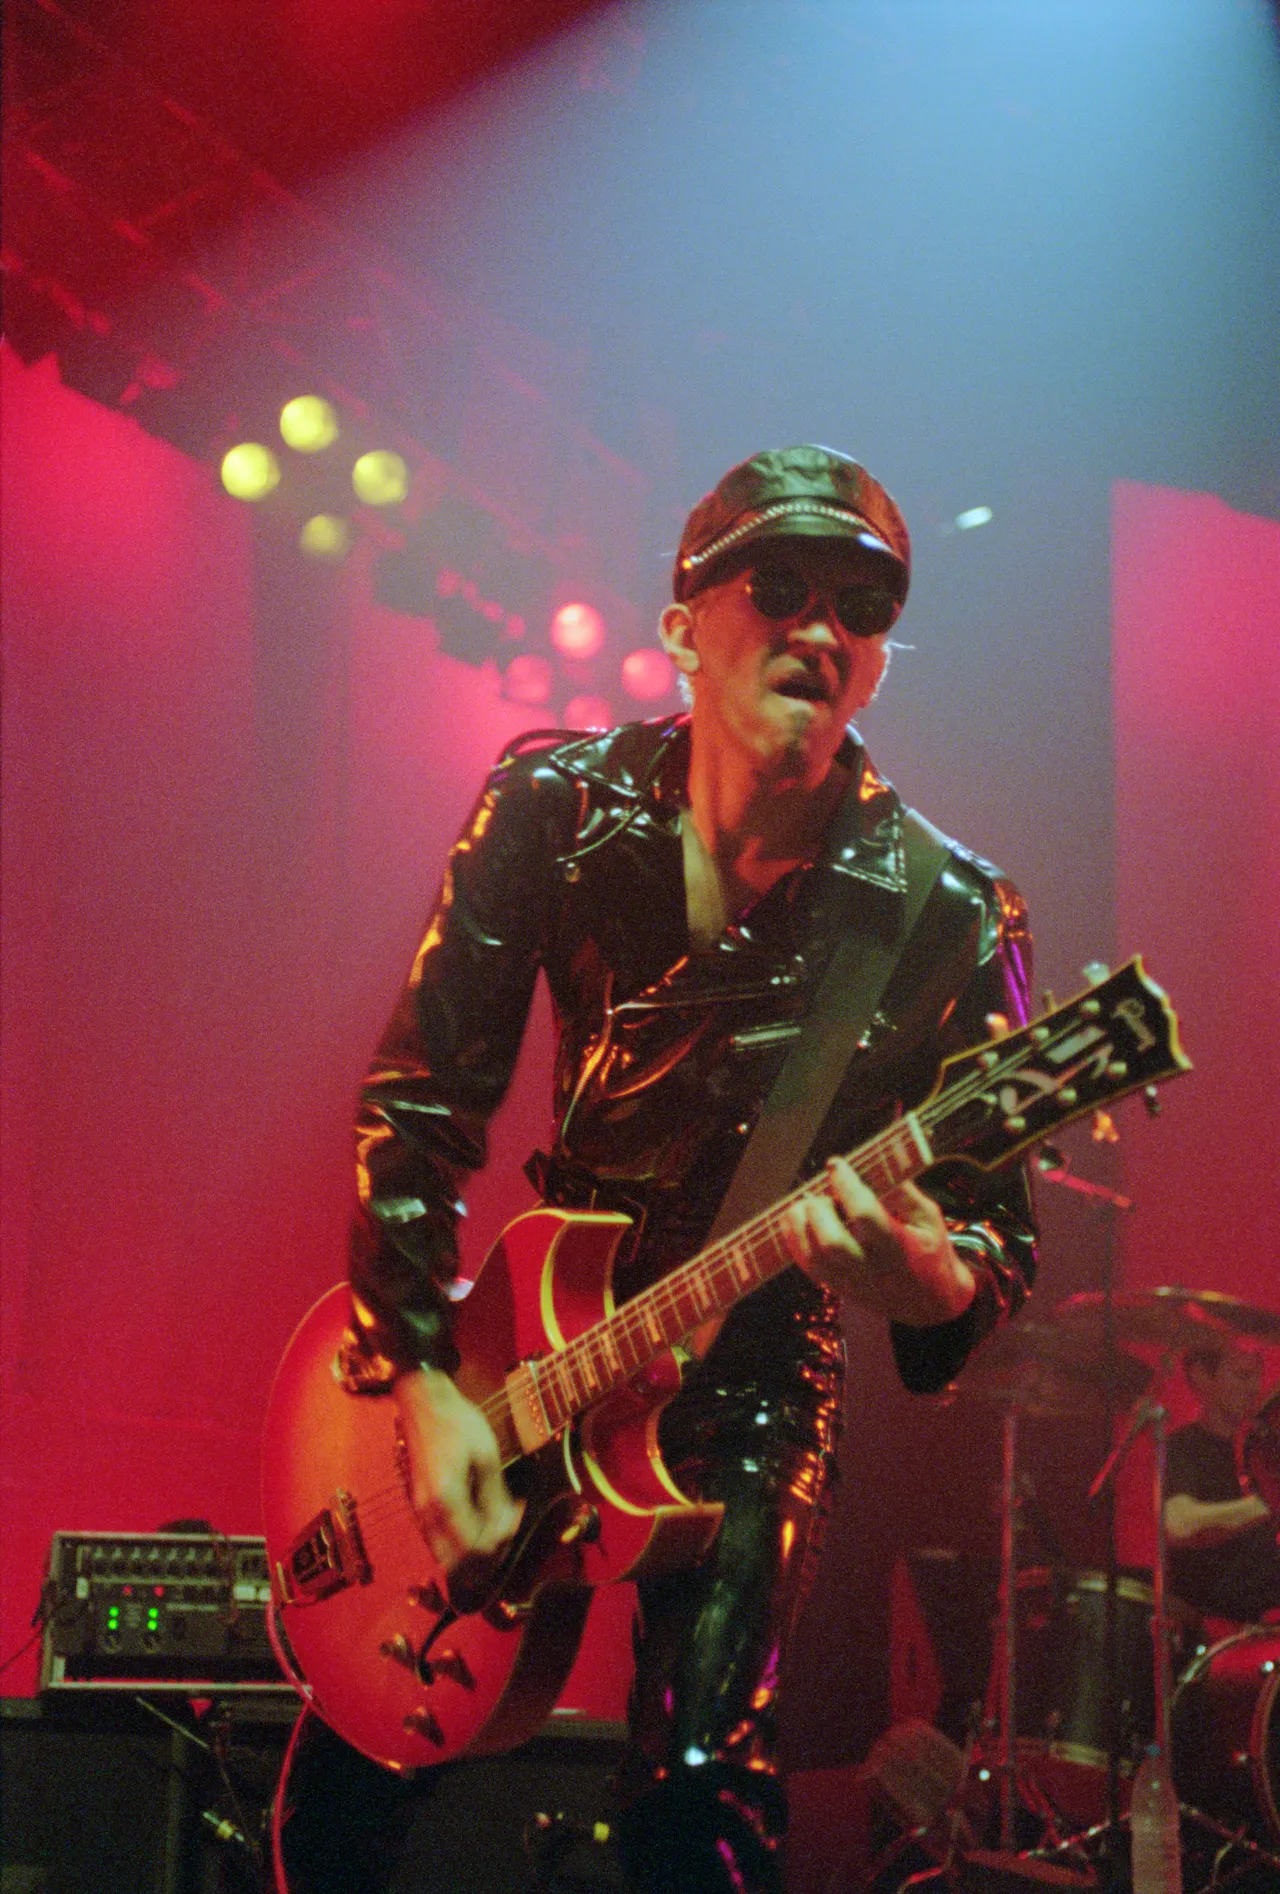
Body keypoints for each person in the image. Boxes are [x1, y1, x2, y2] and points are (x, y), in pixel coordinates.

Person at [346, 444, 1038, 1894]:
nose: (820, 628)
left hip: (751, 1370)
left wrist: (922, 1271)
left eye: (861, 607)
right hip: (525, 1341)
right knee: (361, 1761)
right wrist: (421, 1378)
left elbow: (995, 1249)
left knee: (700, 1782)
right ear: (682, 625)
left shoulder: (949, 912)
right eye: (778, 586)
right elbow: (420, 1102)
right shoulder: (552, 802)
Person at [1165, 1339, 1280, 1624]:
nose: (1254, 1388)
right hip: (1216, 1624)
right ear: (1201, 1377)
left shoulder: (1265, 1450)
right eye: (1242, 1376)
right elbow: (1180, 1524)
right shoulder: (1182, 1448)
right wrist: (1269, 1503)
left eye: (1257, 1377)